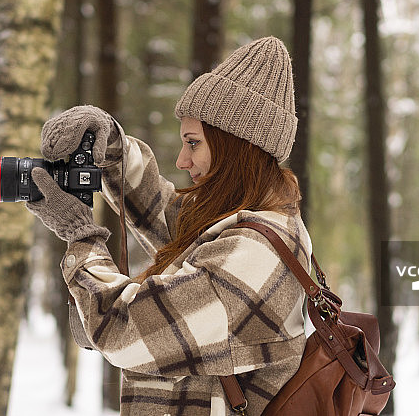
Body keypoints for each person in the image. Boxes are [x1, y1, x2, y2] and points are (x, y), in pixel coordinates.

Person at [27, 36, 313, 415]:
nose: (181, 160)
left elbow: (123, 328)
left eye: (193, 143)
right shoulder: (251, 222)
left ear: (236, 145)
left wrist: (81, 236)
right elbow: (163, 213)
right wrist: (110, 145)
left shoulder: (253, 255)